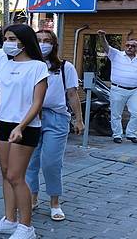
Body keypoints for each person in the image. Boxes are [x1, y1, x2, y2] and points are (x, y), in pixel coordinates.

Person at [0, 24, 48, 239]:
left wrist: (21, 126)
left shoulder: (38, 67)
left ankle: (26, 227)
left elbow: (37, 102)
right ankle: (9, 220)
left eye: (12, 38)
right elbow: (0, 98)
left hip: (26, 128)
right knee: (5, 174)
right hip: (3, 124)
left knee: (16, 176)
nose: (7, 42)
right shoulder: (4, 65)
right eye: (6, 38)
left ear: (24, 41)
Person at [25, 29, 85, 222]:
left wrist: (79, 119)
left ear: (54, 44)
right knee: (30, 162)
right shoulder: (29, 65)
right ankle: (32, 198)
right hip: (31, 117)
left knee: (51, 162)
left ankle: (54, 202)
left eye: (47, 40)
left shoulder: (65, 67)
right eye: (39, 40)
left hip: (57, 118)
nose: (43, 44)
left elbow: (72, 94)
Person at [97, 30, 137, 144]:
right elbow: (105, 46)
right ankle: (117, 135)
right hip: (118, 89)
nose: (129, 47)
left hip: (134, 91)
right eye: (127, 45)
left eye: (132, 46)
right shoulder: (116, 55)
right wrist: (102, 36)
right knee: (116, 114)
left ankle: (131, 134)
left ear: (136, 49)